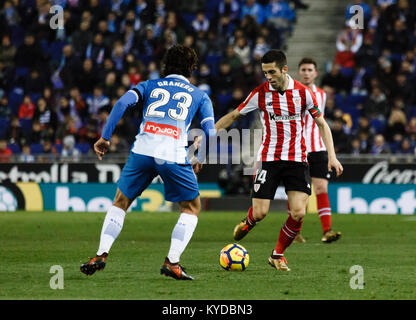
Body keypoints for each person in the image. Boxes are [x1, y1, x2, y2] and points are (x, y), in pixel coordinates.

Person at [80, 45, 215, 280]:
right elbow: (210, 133)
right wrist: (200, 158)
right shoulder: (200, 95)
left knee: (121, 202)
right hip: (172, 153)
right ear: (191, 68)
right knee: (191, 207)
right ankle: (172, 262)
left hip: (142, 150)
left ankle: (100, 255)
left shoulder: (148, 85)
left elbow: (121, 103)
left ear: (165, 66)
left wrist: (105, 137)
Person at [215, 50, 343, 272]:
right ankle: (249, 221)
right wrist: (208, 133)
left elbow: (322, 124)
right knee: (261, 213)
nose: (268, 77)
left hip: (297, 160)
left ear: (284, 69)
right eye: (265, 72)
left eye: (272, 72)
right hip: (269, 159)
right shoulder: (260, 93)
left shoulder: (303, 94)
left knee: (298, 212)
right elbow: (235, 115)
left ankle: (277, 255)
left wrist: (331, 155)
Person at [292, 57, 342, 244]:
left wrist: (331, 154)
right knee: (299, 192)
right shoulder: (291, 93)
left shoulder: (322, 94)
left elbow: (321, 123)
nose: (306, 73)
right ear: (299, 72)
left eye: (309, 70)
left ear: (316, 73)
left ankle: (327, 231)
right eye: (303, 69)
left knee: (321, 188)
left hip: (318, 148)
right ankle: (294, 232)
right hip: (298, 149)